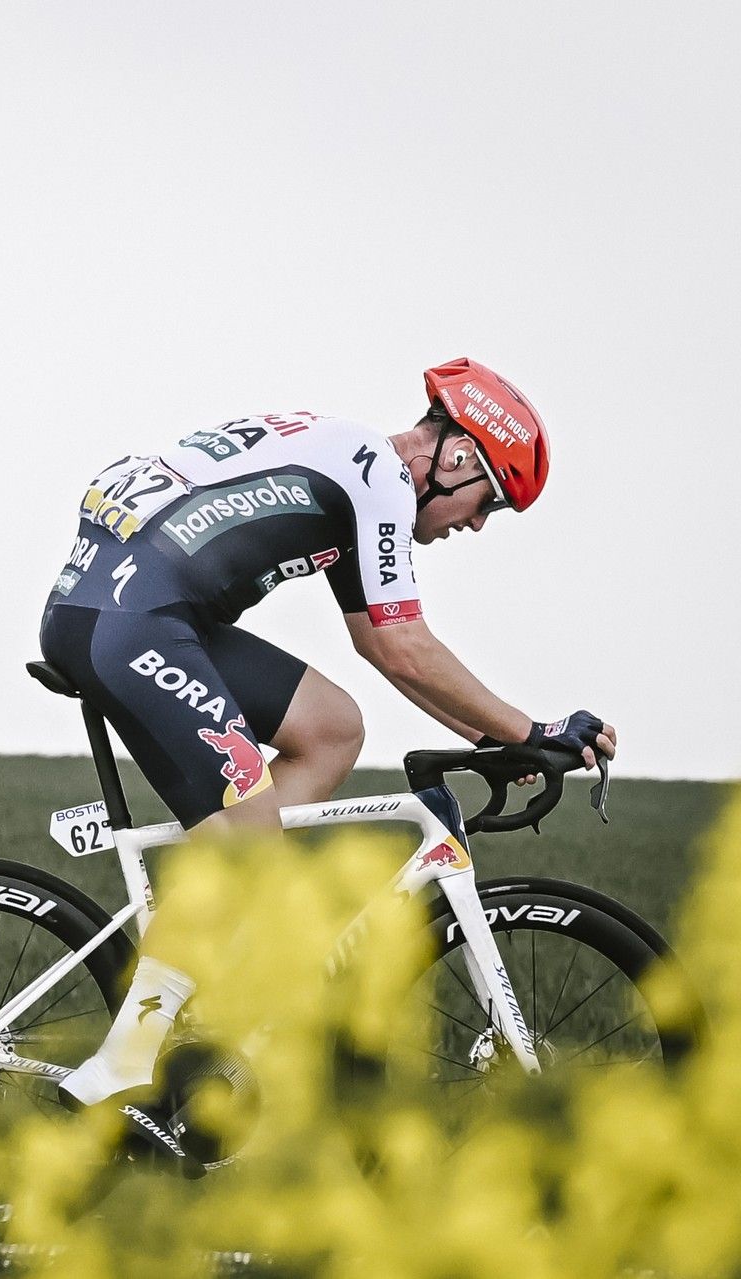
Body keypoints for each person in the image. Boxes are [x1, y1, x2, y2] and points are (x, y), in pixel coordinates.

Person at [37, 358, 616, 1158]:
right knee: (249, 841)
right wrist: (528, 728)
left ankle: (196, 946)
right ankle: (121, 1064)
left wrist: (496, 735)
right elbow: (409, 646)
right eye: (490, 500)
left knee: (333, 727)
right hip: (131, 619)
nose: (479, 524)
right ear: (455, 457)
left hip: (138, 609)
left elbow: (381, 640)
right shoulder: (375, 474)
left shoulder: (352, 466)